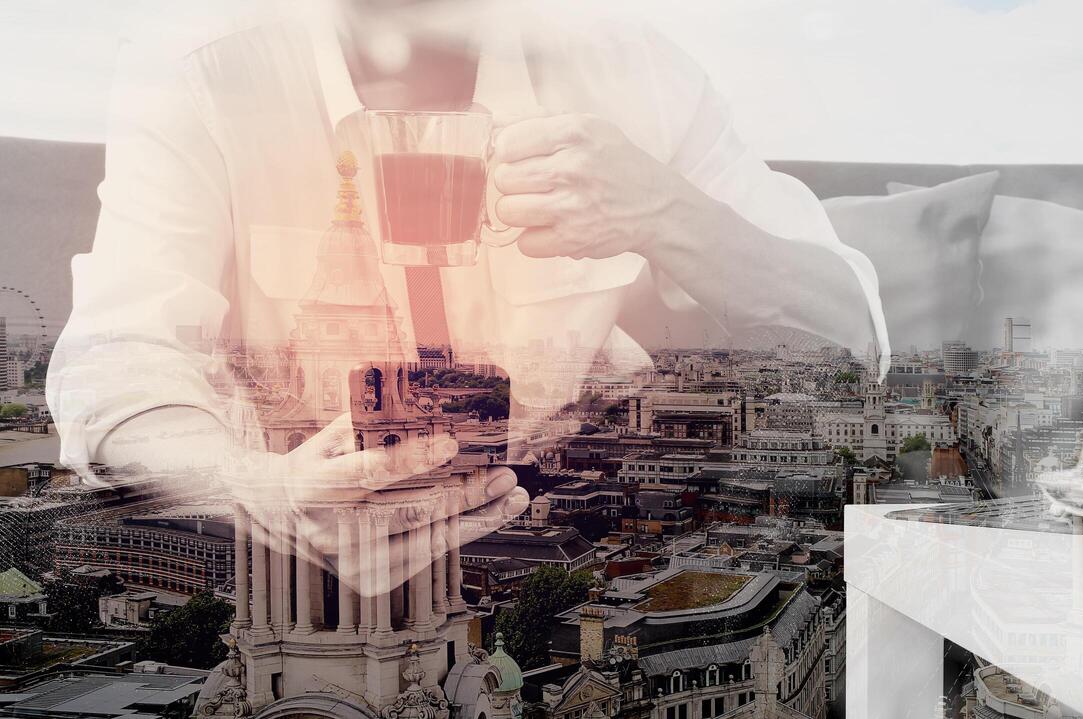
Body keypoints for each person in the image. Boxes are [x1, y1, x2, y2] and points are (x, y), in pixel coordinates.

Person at [47, 0, 887, 585]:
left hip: (522, 523)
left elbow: (850, 326)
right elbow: (118, 365)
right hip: (310, 539)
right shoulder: (201, 67)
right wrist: (257, 489)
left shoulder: (637, 73)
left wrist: (669, 213)